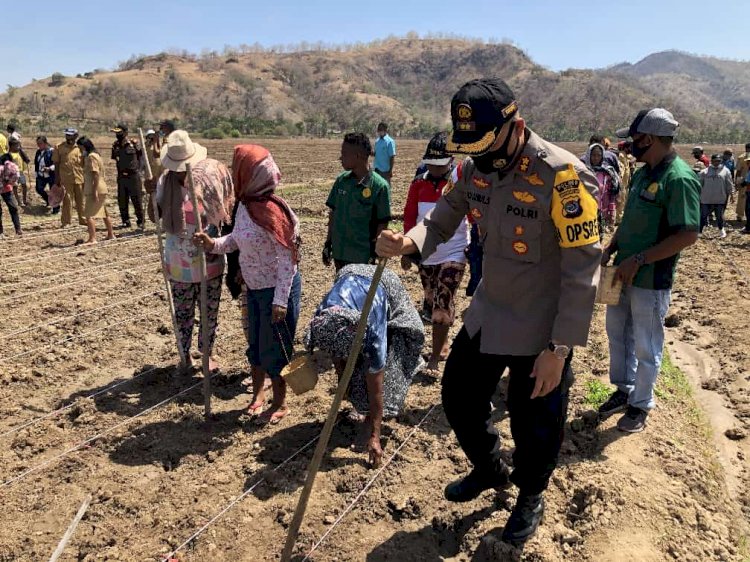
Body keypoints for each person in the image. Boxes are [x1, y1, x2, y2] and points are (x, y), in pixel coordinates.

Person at [376, 78, 601, 545]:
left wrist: (560, 348)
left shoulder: (563, 175)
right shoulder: (475, 170)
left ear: (514, 126)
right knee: (457, 396)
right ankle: (490, 466)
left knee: (534, 422)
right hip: (489, 310)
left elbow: (583, 269)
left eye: (483, 142)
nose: (476, 154)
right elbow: (442, 218)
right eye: (468, 145)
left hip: (541, 327)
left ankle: (529, 496)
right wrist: (408, 241)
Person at [599, 109, 700, 432]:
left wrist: (640, 260)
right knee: (616, 332)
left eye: (635, 140)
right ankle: (623, 389)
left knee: (646, 343)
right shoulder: (643, 173)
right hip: (621, 270)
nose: (631, 145)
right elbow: (630, 220)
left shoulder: (680, 178)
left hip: (649, 279)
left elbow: (688, 234)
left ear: (651, 139)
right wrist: (612, 247)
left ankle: (640, 405)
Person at [194, 144, 302, 424]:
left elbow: (288, 260)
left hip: (276, 292)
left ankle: (280, 402)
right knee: (255, 345)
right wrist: (212, 244)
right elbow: (235, 240)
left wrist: (280, 300)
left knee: (275, 348)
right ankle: (257, 395)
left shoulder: (273, 211)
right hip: (253, 289)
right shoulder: (244, 207)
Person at [304, 264, 424, 467]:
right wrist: (343, 380)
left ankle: (372, 422)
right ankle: (360, 405)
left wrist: (375, 437)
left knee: (392, 360)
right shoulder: (324, 317)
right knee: (351, 368)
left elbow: (376, 387)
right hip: (348, 274)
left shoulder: (372, 332)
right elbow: (336, 352)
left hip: (384, 284)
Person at [157, 130, 234, 372]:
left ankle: (206, 353)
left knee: (209, 311)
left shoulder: (207, 181)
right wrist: (151, 194)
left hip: (208, 258)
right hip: (179, 263)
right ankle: (185, 354)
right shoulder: (163, 182)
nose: (180, 171)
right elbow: (155, 216)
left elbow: (223, 213)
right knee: (183, 312)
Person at [402, 132, 469, 374]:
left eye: (439, 164)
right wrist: (407, 250)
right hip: (426, 253)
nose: (435, 168)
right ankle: (443, 343)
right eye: (431, 163)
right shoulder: (418, 184)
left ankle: (435, 357)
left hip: (454, 252)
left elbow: (472, 215)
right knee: (431, 302)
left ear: (451, 161)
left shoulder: (459, 184)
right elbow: (410, 216)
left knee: (443, 303)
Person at [323, 133, 391, 272]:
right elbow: (333, 214)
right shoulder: (341, 181)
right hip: (340, 253)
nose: (340, 158)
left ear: (358, 156)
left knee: (362, 292)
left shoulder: (379, 186)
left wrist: (375, 253)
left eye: (344, 153)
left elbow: (382, 223)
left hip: (362, 257)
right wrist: (328, 243)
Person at [77, 137, 114, 244]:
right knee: (104, 213)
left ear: (84, 147)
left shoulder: (91, 157)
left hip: (95, 188)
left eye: (80, 148)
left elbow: (95, 174)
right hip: (101, 187)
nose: (80, 151)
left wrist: (94, 191)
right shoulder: (97, 155)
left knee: (89, 214)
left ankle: (92, 238)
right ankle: (111, 234)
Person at [110, 124, 144, 229]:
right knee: (122, 200)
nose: (117, 135)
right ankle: (125, 221)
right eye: (116, 133)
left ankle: (140, 221)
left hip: (133, 176)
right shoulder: (115, 145)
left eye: (119, 133)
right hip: (121, 176)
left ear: (125, 133)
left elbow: (142, 157)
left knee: (136, 200)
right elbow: (115, 158)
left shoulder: (134, 144)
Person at [53, 128, 86, 227]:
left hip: (79, 178)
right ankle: (66, 222)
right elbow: (56, 164)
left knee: (81, 201)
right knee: (67, 201)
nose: (69, 137)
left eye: (71, 135)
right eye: (67, 135)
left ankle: (83, 220)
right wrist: (57, 178)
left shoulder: (81, 148)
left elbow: (85, 164)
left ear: (76, 136)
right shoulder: (59, 147)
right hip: (65, 179)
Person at [585, 143, 620, 230]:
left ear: (602, 156)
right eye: (593, 155)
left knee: (600, 235)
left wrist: (611, 213)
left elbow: (611, 194)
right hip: (587, 212)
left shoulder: (607, 173)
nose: (596, 158)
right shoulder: (584, 172)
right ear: (589, 155)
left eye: (599, 155)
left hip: (602, 212)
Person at [698, 154, 734, 238]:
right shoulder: (705, 172)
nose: (717, 162)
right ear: (712, 161)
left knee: (719, 216)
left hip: (720, 198)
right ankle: (699, 231)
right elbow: (699, 184)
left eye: (718, 161)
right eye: (715, 161)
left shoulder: (726, 171)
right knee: (703, 215)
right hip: (706, 198)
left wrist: (731, 194)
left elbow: (729, 184)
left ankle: (721, 231)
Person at [1, 139, 30, 207]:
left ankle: (24, 200)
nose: (18, 147)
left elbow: (26, 160)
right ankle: (19, 201)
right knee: (15, 187)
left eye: (18, 145)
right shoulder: (8, 155)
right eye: (16, 146)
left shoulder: (20, 153)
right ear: (11, 146)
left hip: (21, 172)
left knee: (24, 185)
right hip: (13, 174)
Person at [143, 129, 163, 223]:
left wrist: (156, 141)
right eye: (149, 137)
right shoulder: (145, 147)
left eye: (152, 136)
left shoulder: (161, 147)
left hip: (159, 175)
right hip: (150, 175)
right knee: (152, 197)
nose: (151, 138)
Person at [0, 159, 22, 237]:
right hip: (2, 185)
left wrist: (9, 182)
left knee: (14, 207)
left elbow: (14, 181)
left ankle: (18, 229)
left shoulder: (12, 170)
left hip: (6, 188)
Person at [34, 136, 56, 212]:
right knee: (39, 189)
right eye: (38, 144)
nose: (39, 145)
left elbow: (56, 164)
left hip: (51, 175)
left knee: (53, 192)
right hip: (41, 175)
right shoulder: (38, 152)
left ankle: (55, 209)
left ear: (45, 143)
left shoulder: (52, 151)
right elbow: (36, 163)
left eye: (40, 143)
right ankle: (48, 200)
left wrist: (49, 168)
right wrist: (36, 173)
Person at [735, 143, 750, 223]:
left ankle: (740, 215)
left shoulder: (741, 157)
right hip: (747, 181)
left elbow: (738, 171)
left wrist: (737, 182)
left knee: (741, 198)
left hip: (743, 180)